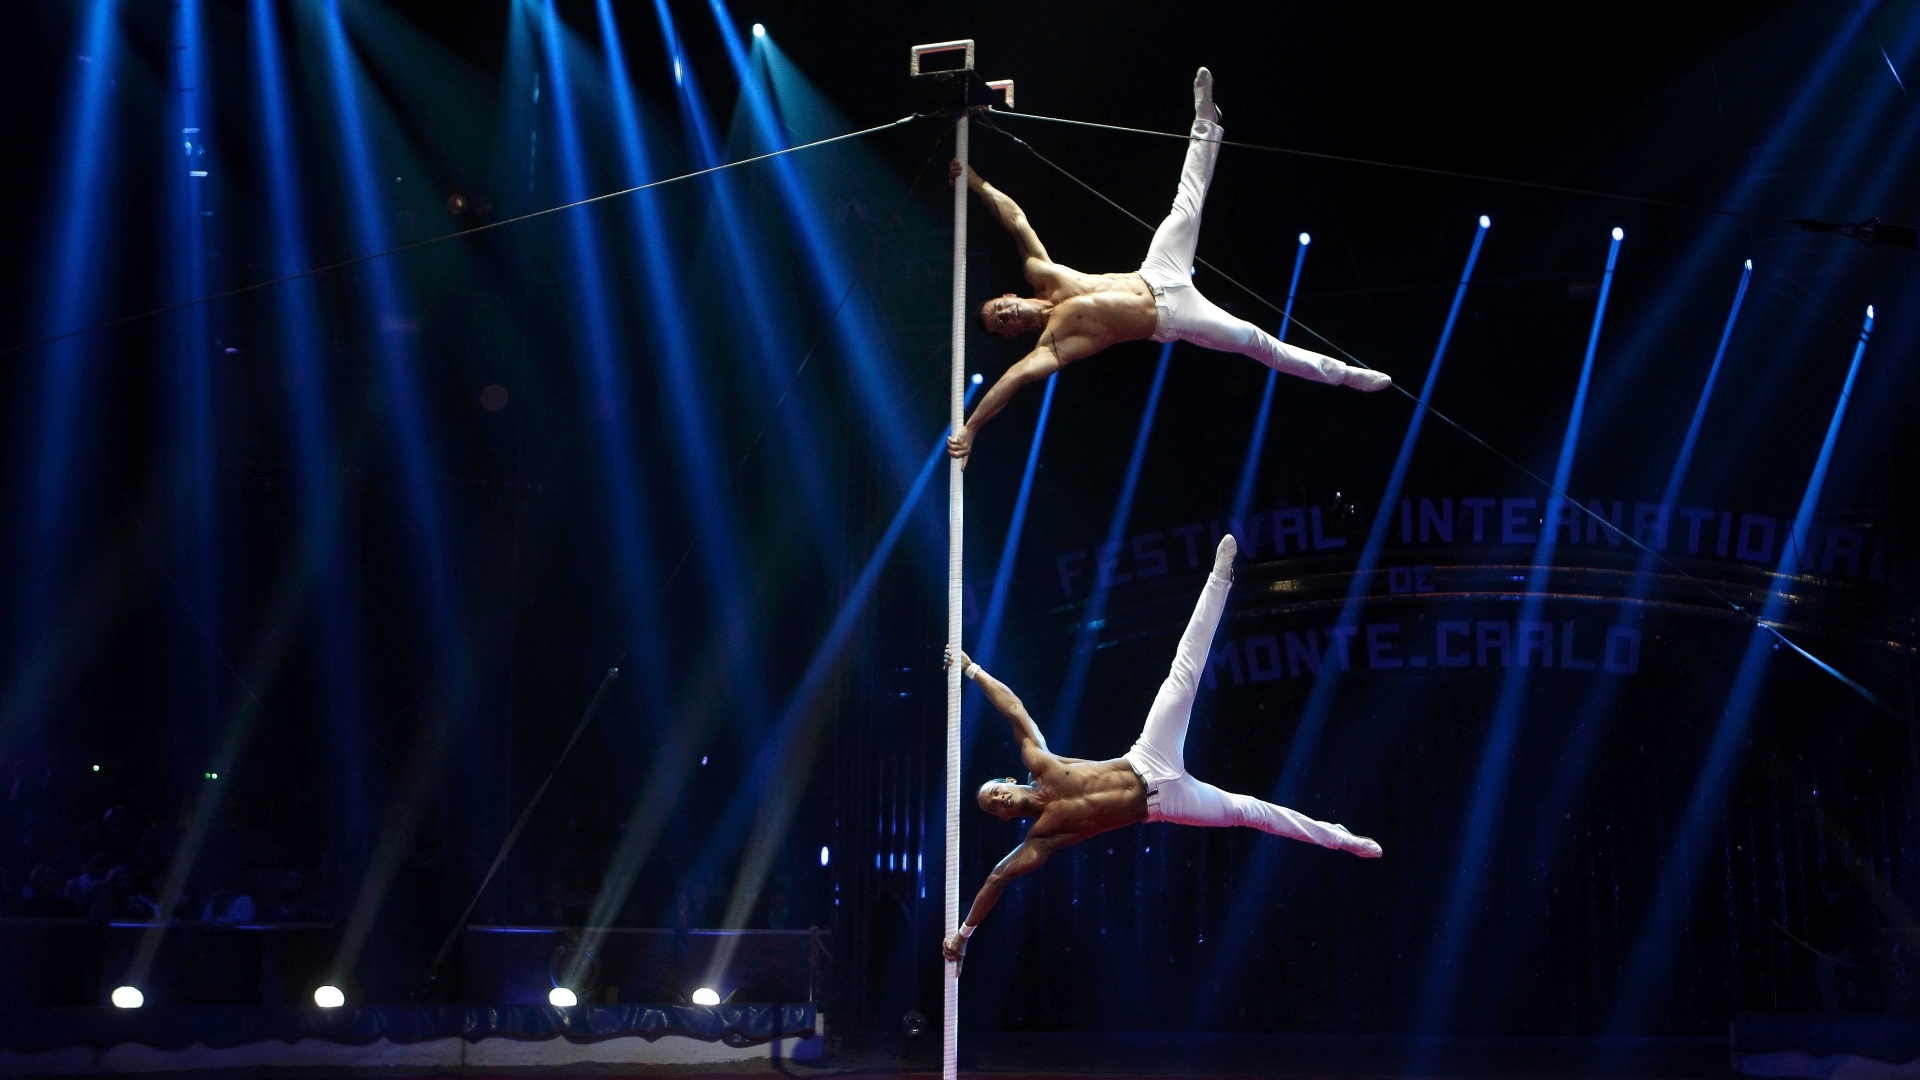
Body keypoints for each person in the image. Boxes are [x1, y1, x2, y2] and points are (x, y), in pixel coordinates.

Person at [943, 534, 1380, 967]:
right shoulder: (1043, 837)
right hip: (1167, 803)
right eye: (992, 807)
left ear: (1008, 780)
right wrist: (964, 935)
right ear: (1004, 817)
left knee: (1183, 672)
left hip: (1148, 757)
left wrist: (972, 669)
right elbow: (998, 878)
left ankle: (1219, 578)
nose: (997, 799)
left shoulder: (1042, 763)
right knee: (1253, 812)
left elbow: (1014, 708)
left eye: (993, 791)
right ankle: (1338, 838)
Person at [948, 68, 1390, 466]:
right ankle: (1343, 374)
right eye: (1000, 322)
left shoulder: (1041, 273)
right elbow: (1010, 382)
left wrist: (972, 179)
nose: (1005, 314)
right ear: (1010, 332)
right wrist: (970, 428)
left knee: (1185, 205)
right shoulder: (1052, 345)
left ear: (1009, 297)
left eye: (998, 307)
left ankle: (1206, 120)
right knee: (1256, 341)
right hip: (1173, 317)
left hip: (1157, 273)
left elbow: (1015, 218)